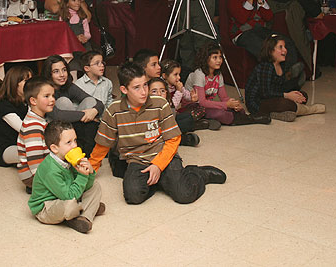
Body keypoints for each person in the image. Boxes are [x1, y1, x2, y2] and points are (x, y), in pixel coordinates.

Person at [89, 62, 227, 205]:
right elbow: (103, 143)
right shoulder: (114, 110)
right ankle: (162, 181)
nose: (144, 92)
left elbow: (173, 139)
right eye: (136, 87)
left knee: (184, 195)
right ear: (124, 89)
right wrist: (91, 170)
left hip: (164, 155)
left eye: (145, 85)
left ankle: (199, 173)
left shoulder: (160, 103)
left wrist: (158, 165)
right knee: (133, 196)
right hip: (137, 160)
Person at [227, 0, 303, 84]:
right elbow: (241, 19)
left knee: (285, 41)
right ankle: (284, 78)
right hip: (242, 33)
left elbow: (269, 17)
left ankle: (288, 74)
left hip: (260, 30)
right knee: (266, 47)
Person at [28, 120, 104, 234]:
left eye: (75, 140)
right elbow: (69, 196)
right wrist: (82, 176)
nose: (74, 145)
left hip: (66, 195)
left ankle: (84, 216)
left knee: (95, 186)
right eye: (69, 142)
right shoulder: (50, 170)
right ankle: (86, 209)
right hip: (47, 207)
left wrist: (90, 172)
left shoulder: (68, 158)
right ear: (54, 148)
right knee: (70, 204)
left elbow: (85, 186)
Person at [185, 43, 271, 126]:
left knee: (239, 111)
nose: (219, 60)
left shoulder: (218, 75)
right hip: (194, 107)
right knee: (221, 114)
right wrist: (226, 105)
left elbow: (224, 98)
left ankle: (211, 120)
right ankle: (251, 119)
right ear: (206, 59)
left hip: (207, 106)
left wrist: (234, 104)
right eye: (215, 57)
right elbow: (202, 102)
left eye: (220, 57)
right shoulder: (199, 74)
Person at [245, 35, 325, 122]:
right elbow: (265, 93)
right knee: (286, 103)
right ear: (270, 51)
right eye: (280, 47)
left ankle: (278, 113)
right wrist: (287, 96)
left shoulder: (282, 65)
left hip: (272, 98)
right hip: (258, 103)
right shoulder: (266, 66)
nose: (285, 50)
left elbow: (279, 88)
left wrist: (293, 94)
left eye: (285, 47)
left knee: (303, 95)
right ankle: (307, 110)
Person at [41, 55, 104, 155]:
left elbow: (99, 103)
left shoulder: (69, 87)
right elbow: (57, 115)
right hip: (54, 131)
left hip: (73, 127)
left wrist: (94, 111)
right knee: (63, 101)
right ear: (49, 74)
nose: (62, 75)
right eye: (56, 71)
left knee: (90, 101)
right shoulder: (44, 90)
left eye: (64, 70)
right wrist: (86, 114)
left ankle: (82, 146)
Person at [17, 77, 56, 192]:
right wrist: (42, 181)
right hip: (33, 175)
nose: (52, 99)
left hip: (43, 167)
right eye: (47, 96)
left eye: (53, 95)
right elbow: (34, 160)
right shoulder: (33, 126)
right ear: (33, 101)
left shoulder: (38, 119)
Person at [0, 65, 32, 167]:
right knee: (36, 153)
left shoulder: (27, 101)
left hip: (24, 142)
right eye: (26, 81)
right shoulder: (5, 106)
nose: (31, 84)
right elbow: (25, 129)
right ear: (15, 83)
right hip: (6, 147)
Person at [148, 77, 201, 147]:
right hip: (154, 132)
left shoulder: (168, 104)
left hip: (169, 129)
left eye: (162, 91)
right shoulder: (146, 108)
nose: (159, 94)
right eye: (154, 91)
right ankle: (182, 139)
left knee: (187, 118)